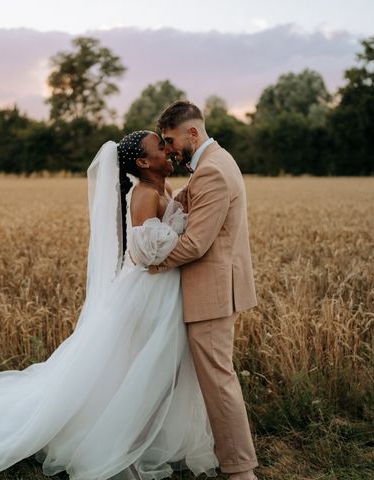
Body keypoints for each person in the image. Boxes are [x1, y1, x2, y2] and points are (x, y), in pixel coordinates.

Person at [0, 131, 219, 480]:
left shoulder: (166, 190)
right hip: (147, 292)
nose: (169, 151)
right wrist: (182, 242)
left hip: (165, 290)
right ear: (143, 162)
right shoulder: (143, 195)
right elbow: (144, 252)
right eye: (161, 147)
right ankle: (121, 444)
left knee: (157, 369)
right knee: (137, 369)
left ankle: (146, 438)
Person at [149, 101, 259, 480]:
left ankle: (241, 470)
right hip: (214, 289)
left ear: (192, 133)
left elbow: (196, 243)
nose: (169, 149)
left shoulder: (212, 170)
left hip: (212, 293)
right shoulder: (214, 163)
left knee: (218, 381)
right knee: (214, 378)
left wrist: (152, 263)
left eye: (171, 140)